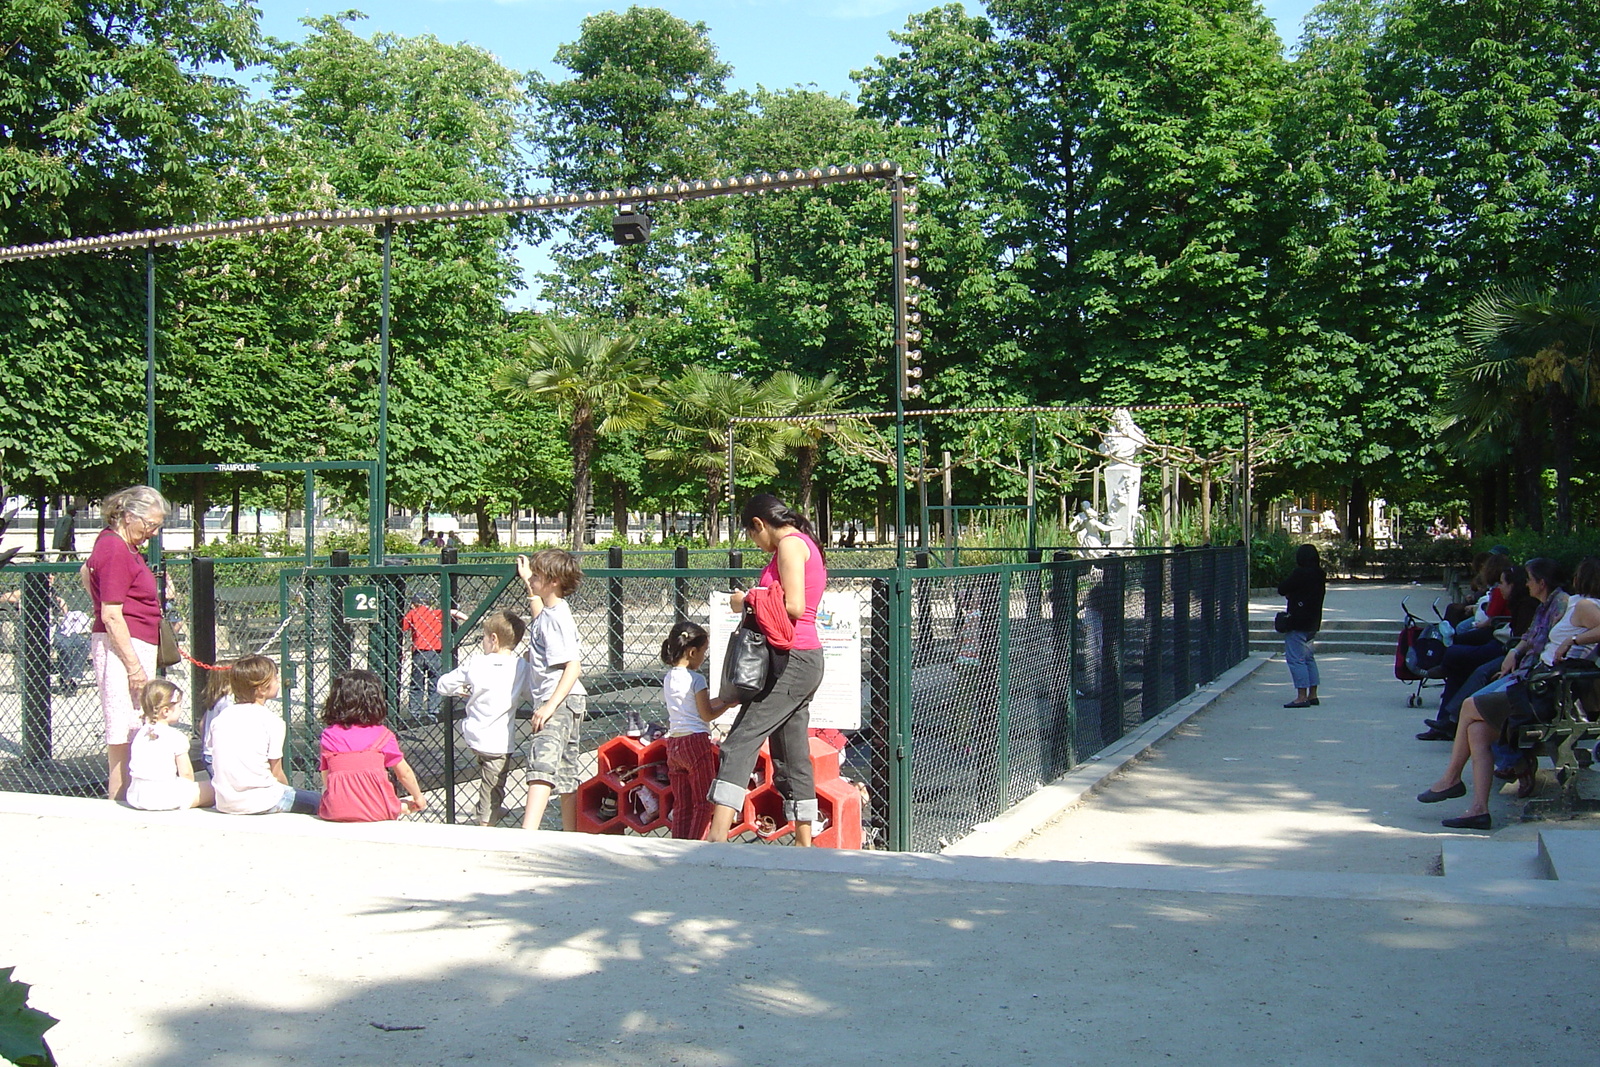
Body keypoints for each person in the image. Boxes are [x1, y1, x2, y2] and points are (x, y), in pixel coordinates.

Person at [1419, 557, 1599, 830]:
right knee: (1476, 730)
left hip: (1547, 694)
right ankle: (1478, 809)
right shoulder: (1572, 604)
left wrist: (1572, 641)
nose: (1525, 584)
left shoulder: (1585, 605)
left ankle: (1452, 778)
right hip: (1541, 686)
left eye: (1528, 579)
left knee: (1470, 706)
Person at [707, 495, 828, 846]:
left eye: (751, 535)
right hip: (804, 660)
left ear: (759, 524)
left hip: (792, 660)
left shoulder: (790, 545)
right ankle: (806, 843)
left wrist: (745, 599)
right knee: (791, 752)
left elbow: (794, 605)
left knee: (740, 741)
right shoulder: (802, 544)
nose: (755, 544)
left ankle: (716, 836)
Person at [81, 485, 170, 801]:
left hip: (133, 641)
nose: (153, 532)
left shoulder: (114, 546)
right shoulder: (115, 549)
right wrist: (133, 667)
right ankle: (118, 797)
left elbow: (84, 572)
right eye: (150, 525)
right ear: (129, 516)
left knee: (133, 724)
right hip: (124, 646)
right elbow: (111, 614)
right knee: (124, 729)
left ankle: (128, 796)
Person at [436, 610, 529, 826]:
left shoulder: (476, 662)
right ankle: (486, 820)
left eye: (484, 638)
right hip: (499, 741)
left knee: (487, 775)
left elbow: (443, 685)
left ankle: (489, 808)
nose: (484, 643)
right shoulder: (520, 667)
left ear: (493, 639)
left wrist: (461, 688)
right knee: (494, 783)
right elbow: (530, 694)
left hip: (473, 733)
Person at [516, 548, 586, 831]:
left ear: (553, 580)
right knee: (567, 770)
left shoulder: (556, 618)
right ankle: (571, 833)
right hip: (570, 700)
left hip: (557, 699)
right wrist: (527, 584)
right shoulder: (551, 612)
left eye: (537, 575)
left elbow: (573, 666)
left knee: (542, 762)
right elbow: (539, 618)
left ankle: (528, 832)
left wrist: (549, 706)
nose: (532, 578)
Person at [208, 655, 320, 815]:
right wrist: (287, 790)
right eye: (274, 678)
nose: (278, 681)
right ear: (261, 688)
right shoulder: (272, 721)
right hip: (262, 801)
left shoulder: (221, 718)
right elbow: (276, 772)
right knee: (318, 800)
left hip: (225, 802)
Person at [318, 668, 426, 822]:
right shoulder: (383, 735)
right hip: (377, 811)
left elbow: (326, 776)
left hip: (336, 811)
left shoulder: (329, 735)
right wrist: (418, 796)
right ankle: (396, 806)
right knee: (383, 798)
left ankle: (355, 806)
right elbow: (404, 773)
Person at [659, 621, 730, 841]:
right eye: (703, 652)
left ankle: (679, 845)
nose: (703, 657)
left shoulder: (669, 677)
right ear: (692, 652)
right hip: (696, 742)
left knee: (682, 804)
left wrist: (723, 701)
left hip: (675, 744)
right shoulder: (696, 679)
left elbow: (695, 706)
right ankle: (696, 847)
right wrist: (727, 704)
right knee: (703, 803)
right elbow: (706, 714)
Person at [125, 679, 214, 811]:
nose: (181, 709)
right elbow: (187, 773)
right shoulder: (176, 736)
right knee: (214, 788)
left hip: (137, 795)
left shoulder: (140, 733)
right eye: (179, 706)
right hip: (164, 797)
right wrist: (189, 792)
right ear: (166, 711)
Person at [1277, 543, 1325, 708]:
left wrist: (1292, 595)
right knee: (1309, 658)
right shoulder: (1320, 574)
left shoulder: (1300, 573)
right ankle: (1313, 694)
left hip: (1297, 622)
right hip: (1313, 622)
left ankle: (1301, 696)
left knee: (1296, 659)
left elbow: (1282, 588)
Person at [400, 593, 444, 724]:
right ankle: (433, 711)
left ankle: (415, 712)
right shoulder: (436, 613)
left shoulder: (413, 613)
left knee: (416, 683)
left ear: (414, 604)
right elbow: (454, 612)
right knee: (434, 681)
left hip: (419, 651)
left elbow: (403, 626)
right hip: (435, 651)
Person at [198, 663, 235, 777]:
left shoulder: (213, 701)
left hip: (208, 753)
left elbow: (202, 724)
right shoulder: (227, 701)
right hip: (220, 755)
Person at [51, 593, 92, 691]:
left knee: (85, 644)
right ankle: (66, 679)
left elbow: (66, 617)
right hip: (47, 633)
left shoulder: (58, 600)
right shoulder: (27, 594)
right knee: (65, 646)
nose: (51, 577)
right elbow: (8, 597)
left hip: (60, 630)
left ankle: (73, 676)